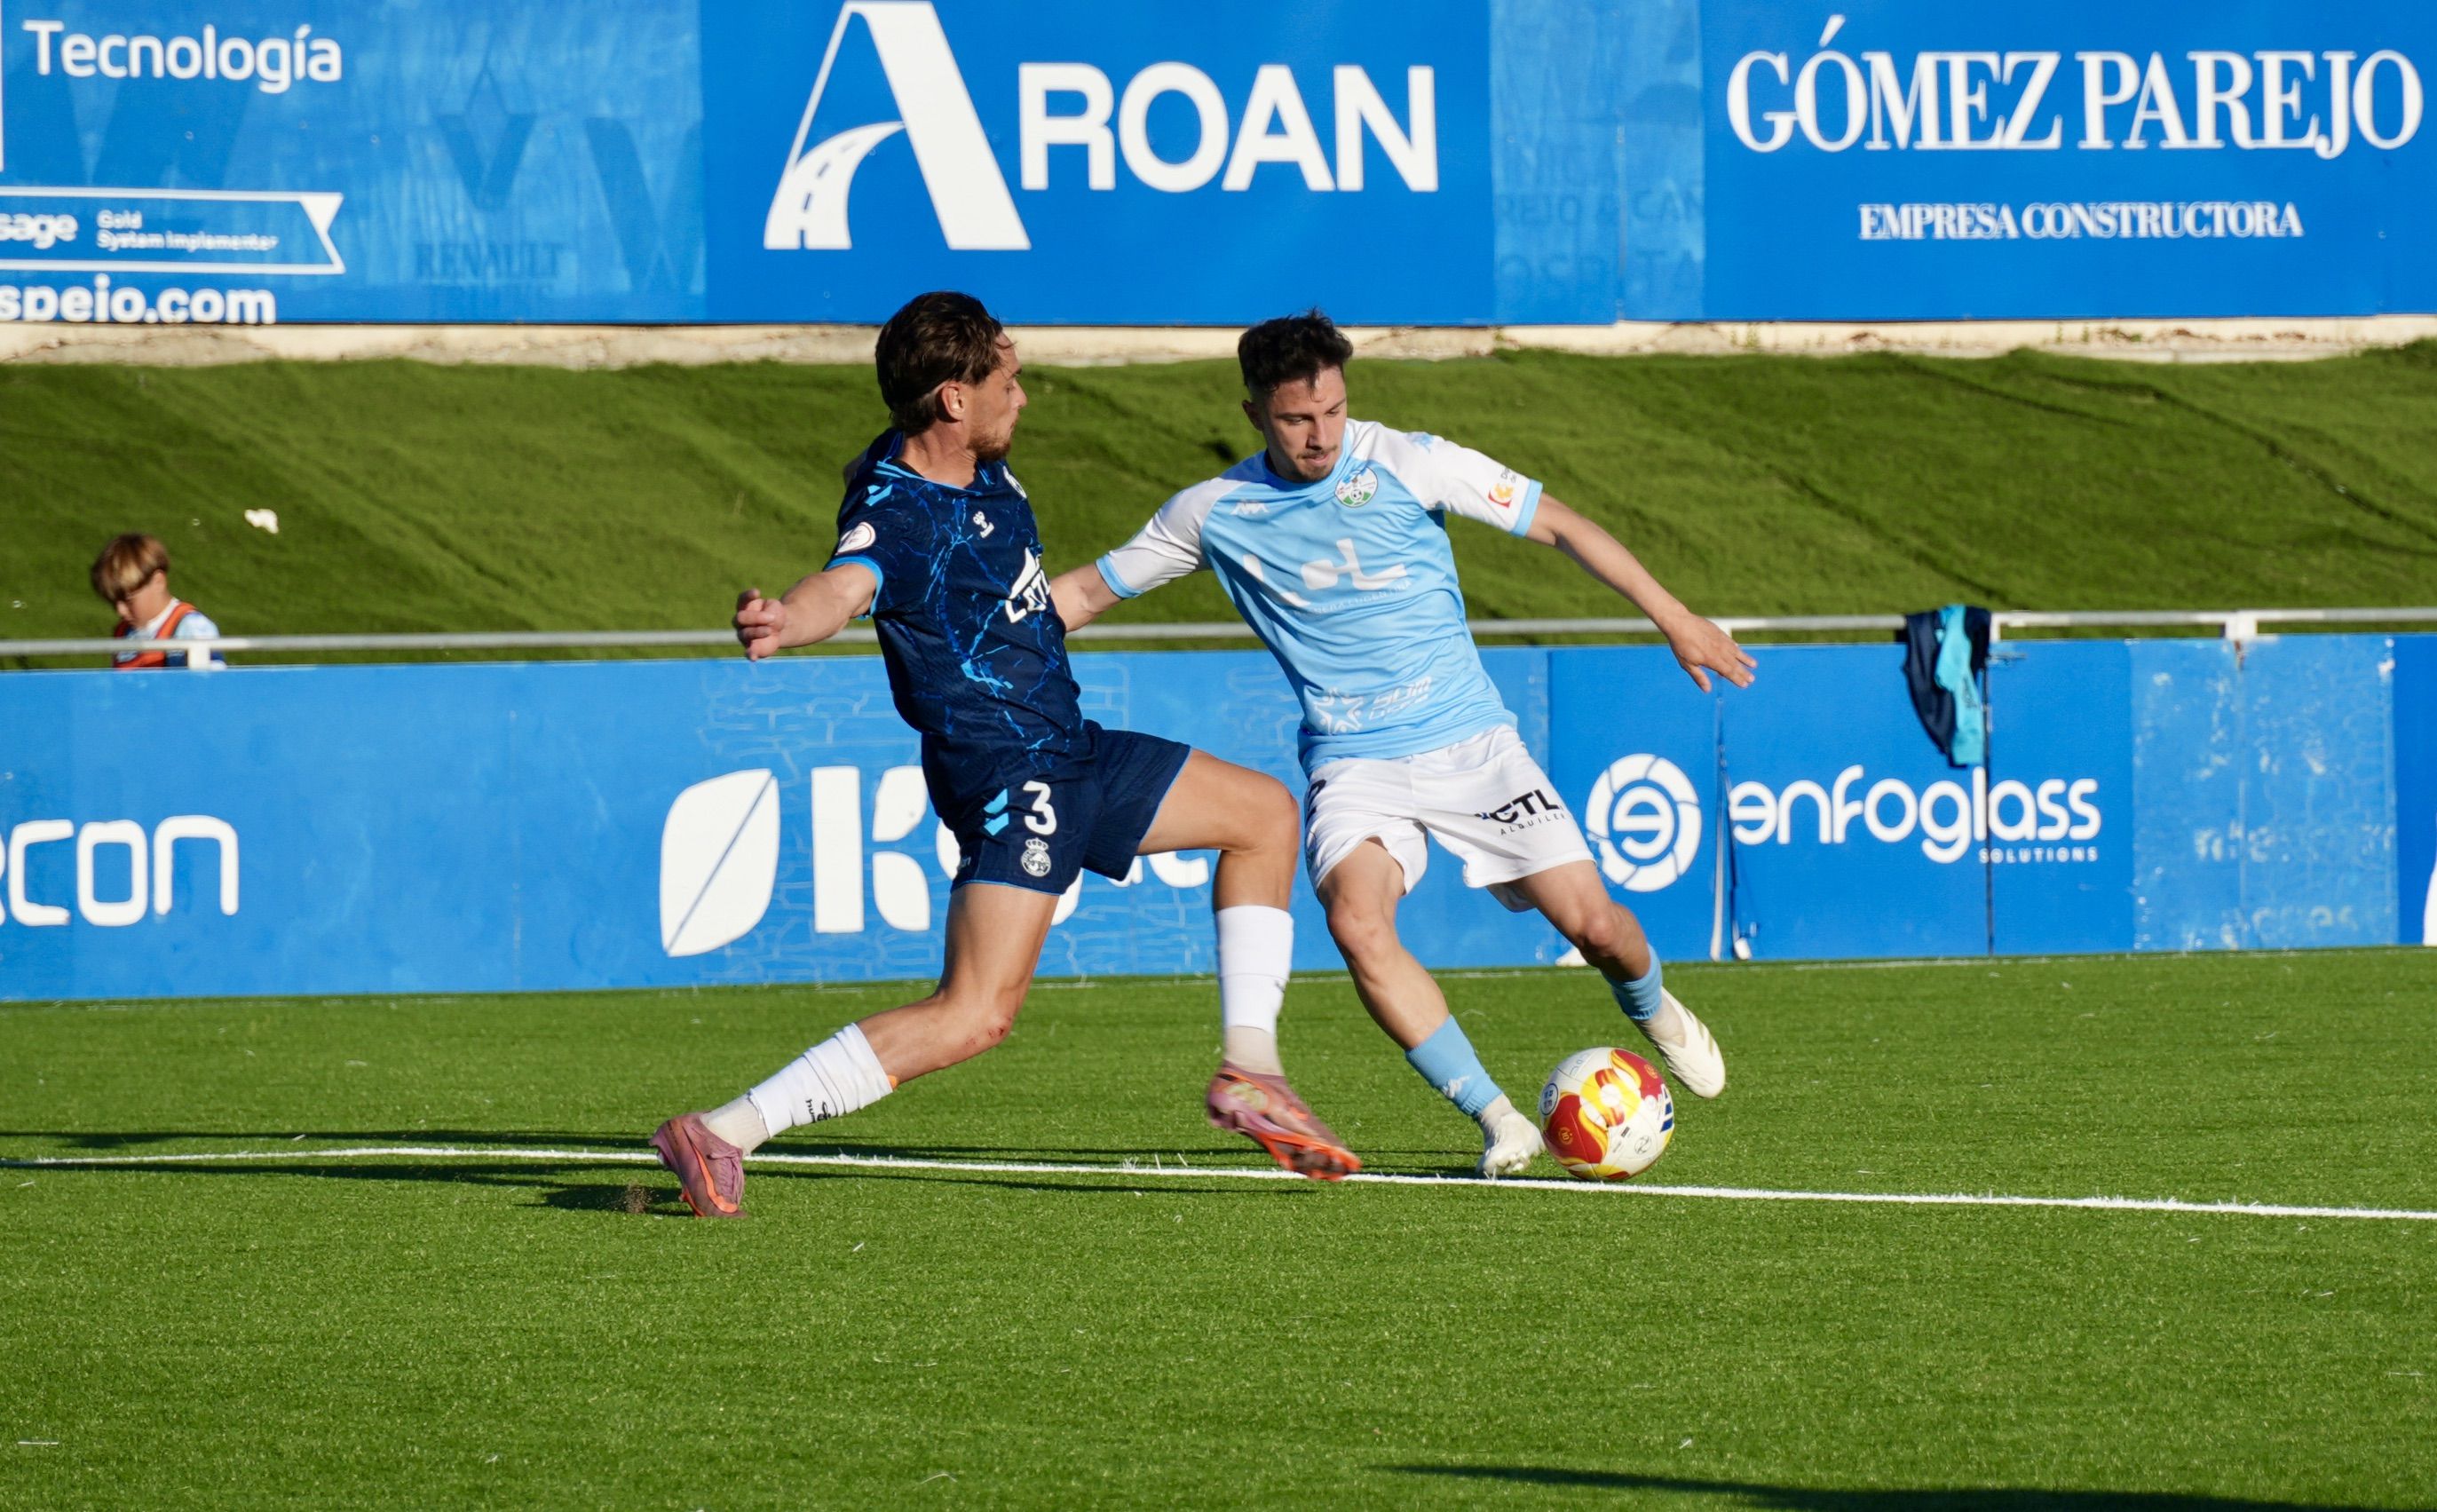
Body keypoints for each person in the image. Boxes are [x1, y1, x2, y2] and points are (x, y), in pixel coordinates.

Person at [650, 291, 1357, 1218]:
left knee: (1264, 814)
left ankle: (1250, 1073)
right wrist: (789, 619)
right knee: (976, 1012)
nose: (1022, 396)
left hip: (1068, 748)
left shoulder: (974, 465)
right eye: (1007, 381)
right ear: (953, 399)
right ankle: (726, 1128)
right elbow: (849, 578)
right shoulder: (901, 511)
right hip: (1009, 774)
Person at [1050, 311, 1754, 1177]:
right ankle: (1499, 1119)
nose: (1321, 435)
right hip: (1355, 764)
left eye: (1334, 411)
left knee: (1596, 923)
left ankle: (1655, 1009)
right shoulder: (1214, 513)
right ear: (1254, 415)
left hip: (1472, 743)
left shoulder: (1412, 461)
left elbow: (1562, 523)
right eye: (1297, 419)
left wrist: (1676, 617)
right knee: (1355, 919)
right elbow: (1085, 590)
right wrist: (965, 634)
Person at [91, 534, 225, 669]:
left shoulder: (192, 628)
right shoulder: (123, 632)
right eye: (114, 602)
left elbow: (211, 686)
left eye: (129, 600)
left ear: (158, 582)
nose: (121, 610)